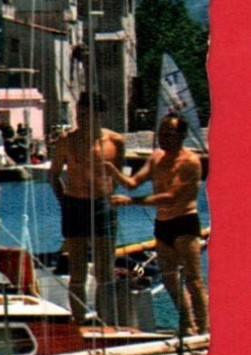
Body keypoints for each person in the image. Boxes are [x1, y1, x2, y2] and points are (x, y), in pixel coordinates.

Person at [110, 112, 208, 335]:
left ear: (181, 135)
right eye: (162, 133)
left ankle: (203, 327)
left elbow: (171, 196)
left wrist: (131, 202)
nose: (164, 138)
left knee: (193, 280)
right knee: (169, 277)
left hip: (184, 222)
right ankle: (186, 321)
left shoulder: (190, 162)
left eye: (170, 134)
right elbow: (133, 183)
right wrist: (113, 171)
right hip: (163, 224)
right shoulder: (156, 158)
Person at [49, 91, 126, 325]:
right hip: (74, 204)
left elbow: (118, 174)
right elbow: (53, 175)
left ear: (99, 115)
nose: (81, 119)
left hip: (102, 205)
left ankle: (105, 321)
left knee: (104, 272)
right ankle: (79, 321)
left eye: (86, 115)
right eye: (79, 114)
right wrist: (63, 200)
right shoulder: (67, 140)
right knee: (77, 271)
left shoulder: (115, 142)